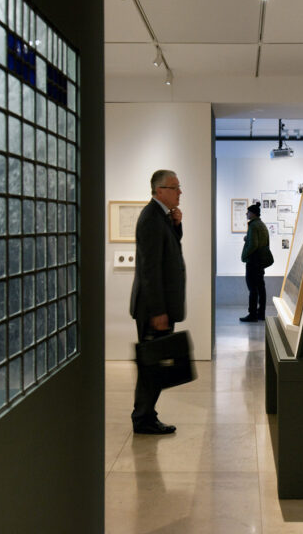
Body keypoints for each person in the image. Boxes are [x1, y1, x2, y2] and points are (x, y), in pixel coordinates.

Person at [129, 169, 186, 434]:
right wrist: (158, 311)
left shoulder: (162, 216)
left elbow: (169, 250)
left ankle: (147, 415)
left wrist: (177, 226)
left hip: (159, 306)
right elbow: (149, 270)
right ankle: (143, 419)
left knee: (153, 365)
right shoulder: (151, 218)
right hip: (153, 309)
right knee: (151, 365)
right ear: (160, 190)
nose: (180, 192)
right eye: (175, 187)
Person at [239, 203, 270, 322]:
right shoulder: (262, 225)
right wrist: (248, 238)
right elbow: (264, 242)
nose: (246, 214)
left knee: (252, 288)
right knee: (261, 288)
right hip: (260, 261)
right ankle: (261, 313)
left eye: (248, 212)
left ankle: (252, 314)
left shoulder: (253, 225)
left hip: (253, 261)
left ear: (253, 213)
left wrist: (244, 255)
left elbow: (253, 245)